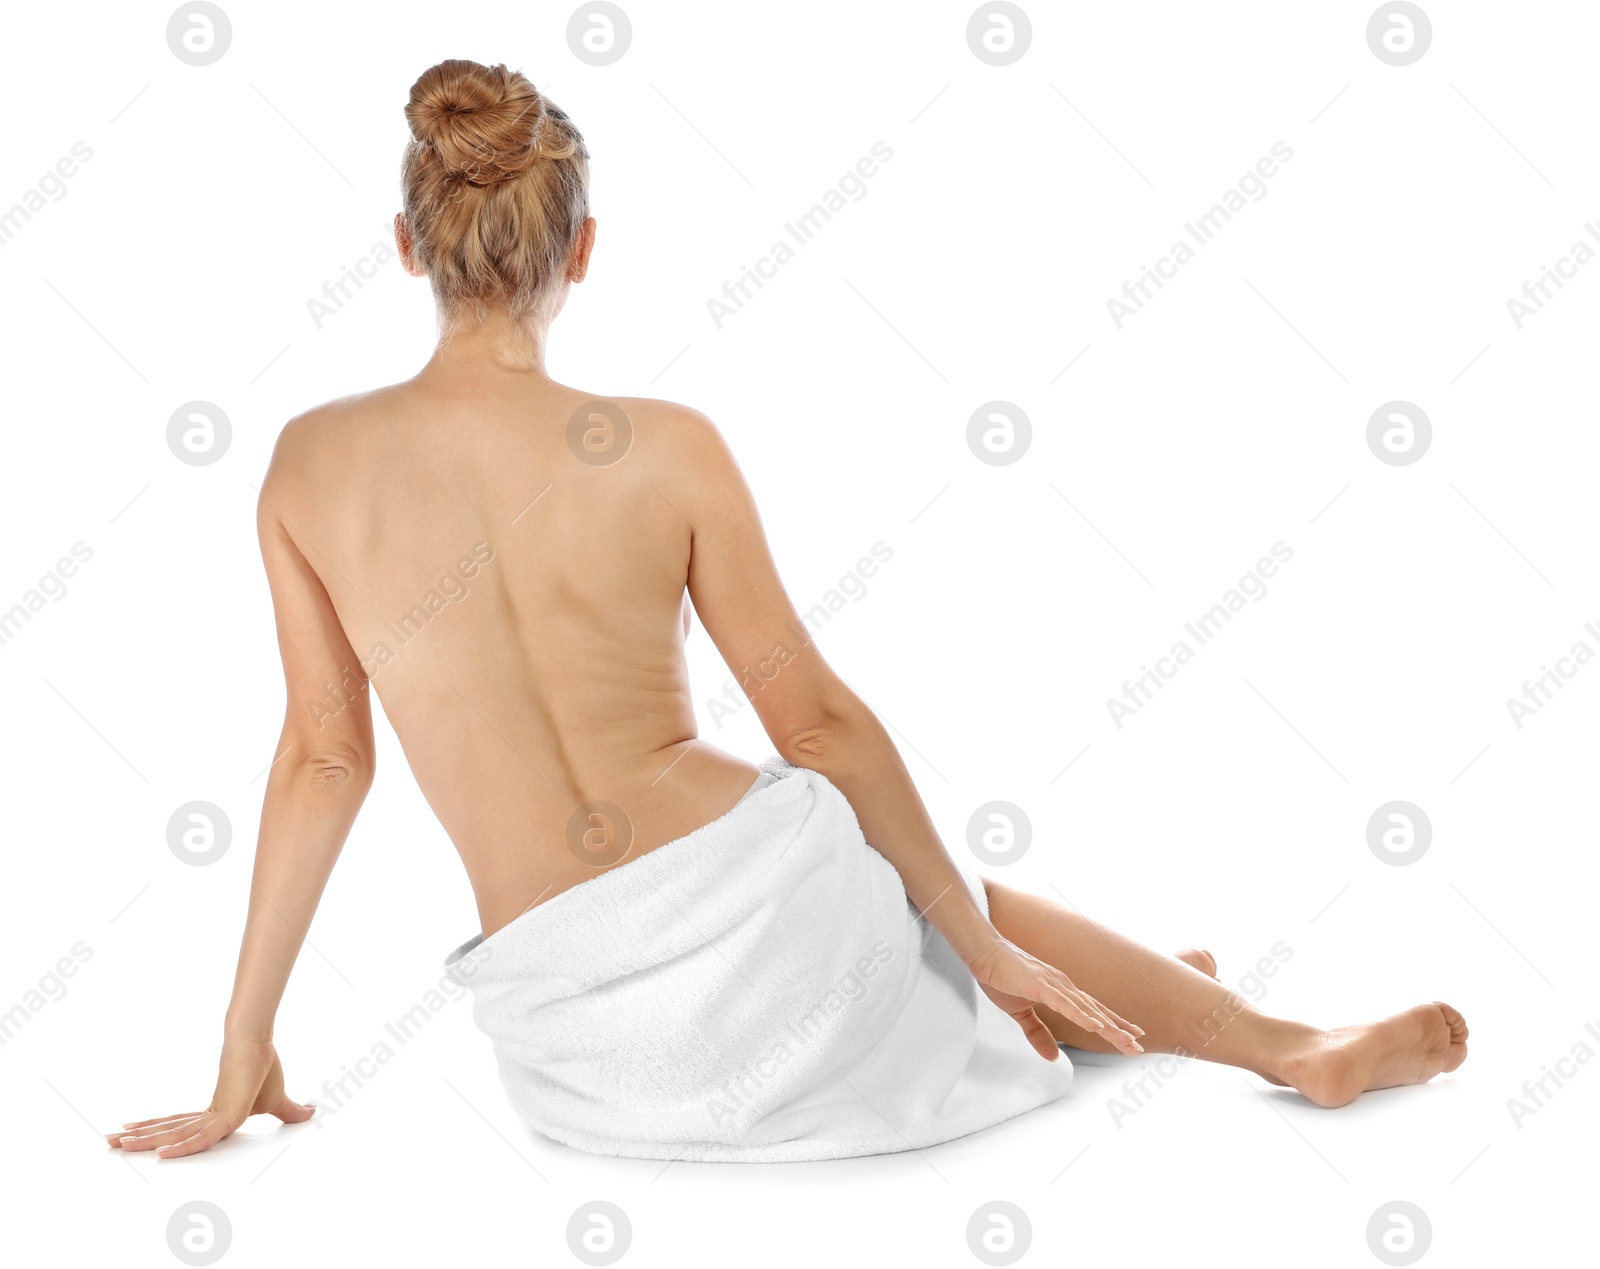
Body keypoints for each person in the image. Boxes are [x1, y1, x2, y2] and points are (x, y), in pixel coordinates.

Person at [108, 59, 1466, 1161]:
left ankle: (1070, 984)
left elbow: (326, 759)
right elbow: (814, 723)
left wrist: (246, 1041)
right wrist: (979, 932)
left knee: (920, 908)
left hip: (587, 1060)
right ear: (584, 248)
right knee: (935, 889)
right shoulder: (662, 445)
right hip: (796, 953)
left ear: (405, 246)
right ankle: (1275, 1039)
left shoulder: (309, 464)